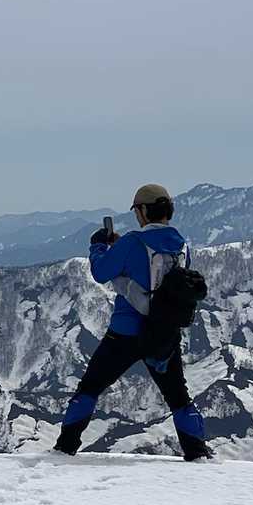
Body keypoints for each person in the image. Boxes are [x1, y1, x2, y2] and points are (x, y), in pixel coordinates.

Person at [53, 183, 212, 461]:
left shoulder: (131, 242)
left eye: (137, 210)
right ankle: (197, 452)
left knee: (90, 388)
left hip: (124, 333)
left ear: (143, 211)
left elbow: (101, 272)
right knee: (178, 397)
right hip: (163, 332)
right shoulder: (182, 246)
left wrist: (98, 246)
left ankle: (65, 447)